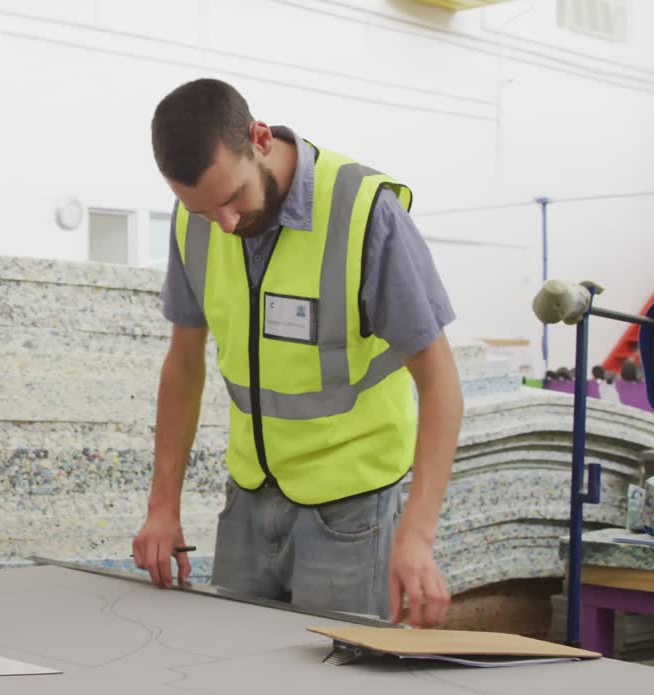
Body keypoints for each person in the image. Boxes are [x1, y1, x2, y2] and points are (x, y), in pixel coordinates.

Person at [131, 79, 462, 628]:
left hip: (351, 510)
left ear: (259, 138)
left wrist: (418, 536)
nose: (226, 224)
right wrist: (163, 505)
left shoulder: (364, 213)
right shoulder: (196, 218)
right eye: (206, 210)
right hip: (249, 499)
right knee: (233, 682)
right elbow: (183, 367)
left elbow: (441, 385)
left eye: (233, 199)